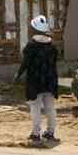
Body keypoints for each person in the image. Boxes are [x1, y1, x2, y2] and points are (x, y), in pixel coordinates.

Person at [13, 15, 59, 145]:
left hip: (35, 81)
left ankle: (35, 133)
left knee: (35, 108)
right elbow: (54, 63)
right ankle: (50, 132)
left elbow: (25, 63)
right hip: (50, 81)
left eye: (31, 27)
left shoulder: (31, 46)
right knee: (50, 108)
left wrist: (18, 74)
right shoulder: (52, 46)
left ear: (34, 30)